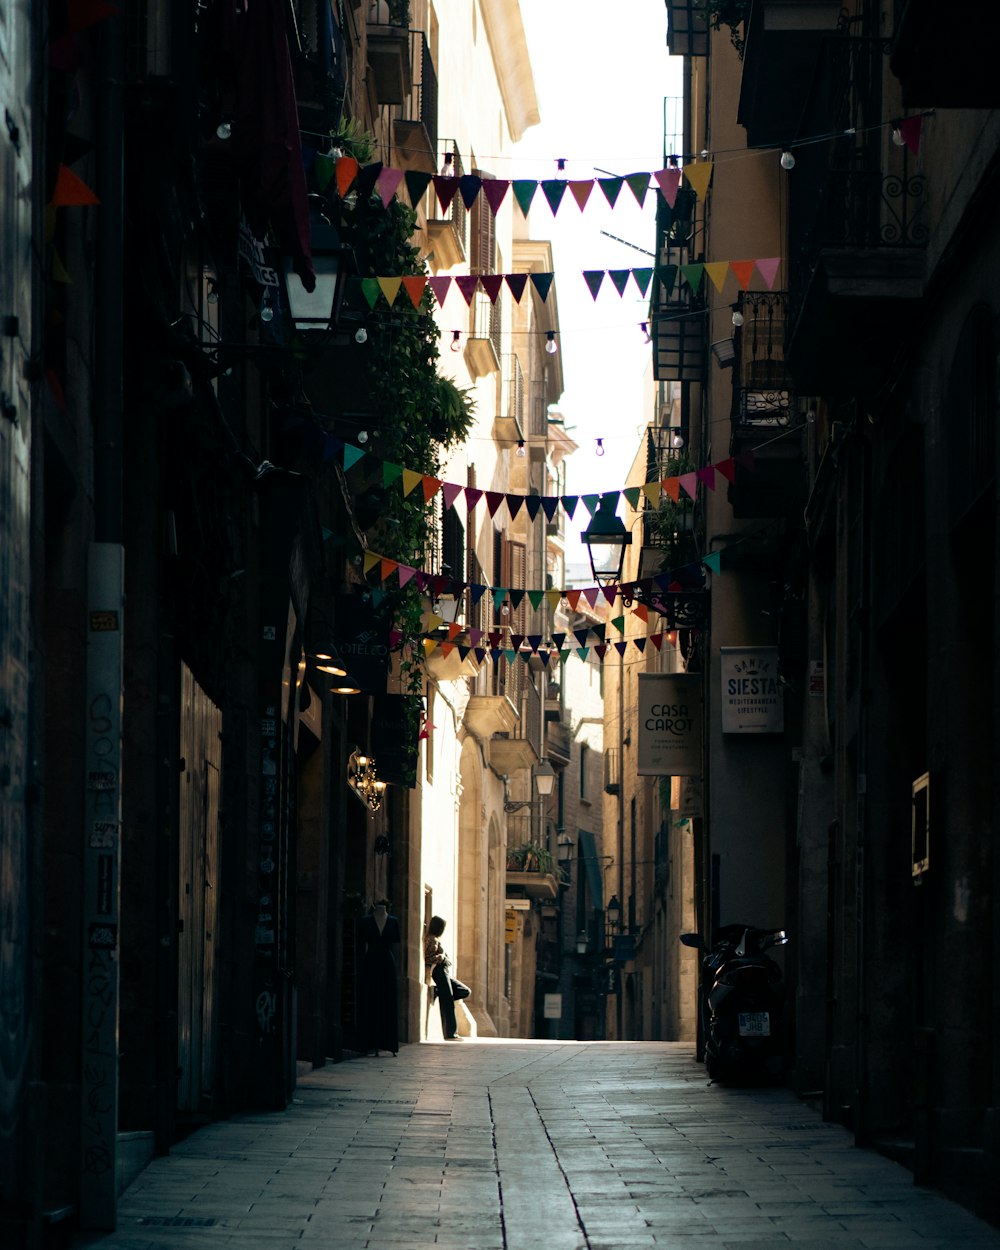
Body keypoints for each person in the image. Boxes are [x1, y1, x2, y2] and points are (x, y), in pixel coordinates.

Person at [356, 899, 400, 1056]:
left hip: (387, 963)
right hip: (371, 961)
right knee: (370, 999)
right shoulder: (366, 921)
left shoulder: (394, 921)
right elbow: (361, 941)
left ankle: (388, 1042)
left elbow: (395, 941)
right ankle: (370, 1042)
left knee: (387, 1001)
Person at [423, 915, 458, 1039]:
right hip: (438, 971)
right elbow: (426, 957)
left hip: (444, 971)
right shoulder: (431, 939)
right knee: (448, 1001)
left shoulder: (437, 939)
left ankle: (438, 991)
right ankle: (451, 1033)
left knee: (462, 991)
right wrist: (441, 958)